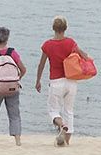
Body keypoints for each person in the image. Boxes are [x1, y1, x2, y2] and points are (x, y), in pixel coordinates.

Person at [34, 16, 91, 147]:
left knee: (53, 110)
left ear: (53, 28)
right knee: (69, 111)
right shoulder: (70, 43)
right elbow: (84, 55)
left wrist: (38, 81)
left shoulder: (47, 45)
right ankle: (66, 141)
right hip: (71, 82)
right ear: (65, 28)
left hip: (56, 82)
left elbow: (41, 65)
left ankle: (61, 125)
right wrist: (89, 62)